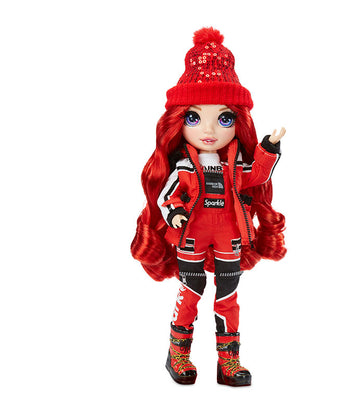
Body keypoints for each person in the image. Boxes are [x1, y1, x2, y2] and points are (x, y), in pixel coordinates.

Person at [131, 27, 287, 386]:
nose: (210, 130)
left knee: (228, 297)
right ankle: (178, 354)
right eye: (194, 117)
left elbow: (256, 176)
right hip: (191, 238)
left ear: (238, 122)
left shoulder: (235, 165)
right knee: (191, 292)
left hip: (229, 238)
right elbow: (168, 195)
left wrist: (267, 149)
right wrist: (175, 213)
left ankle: (228, 361)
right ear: (179, 120)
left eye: (225, 118)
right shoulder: (184, 166)